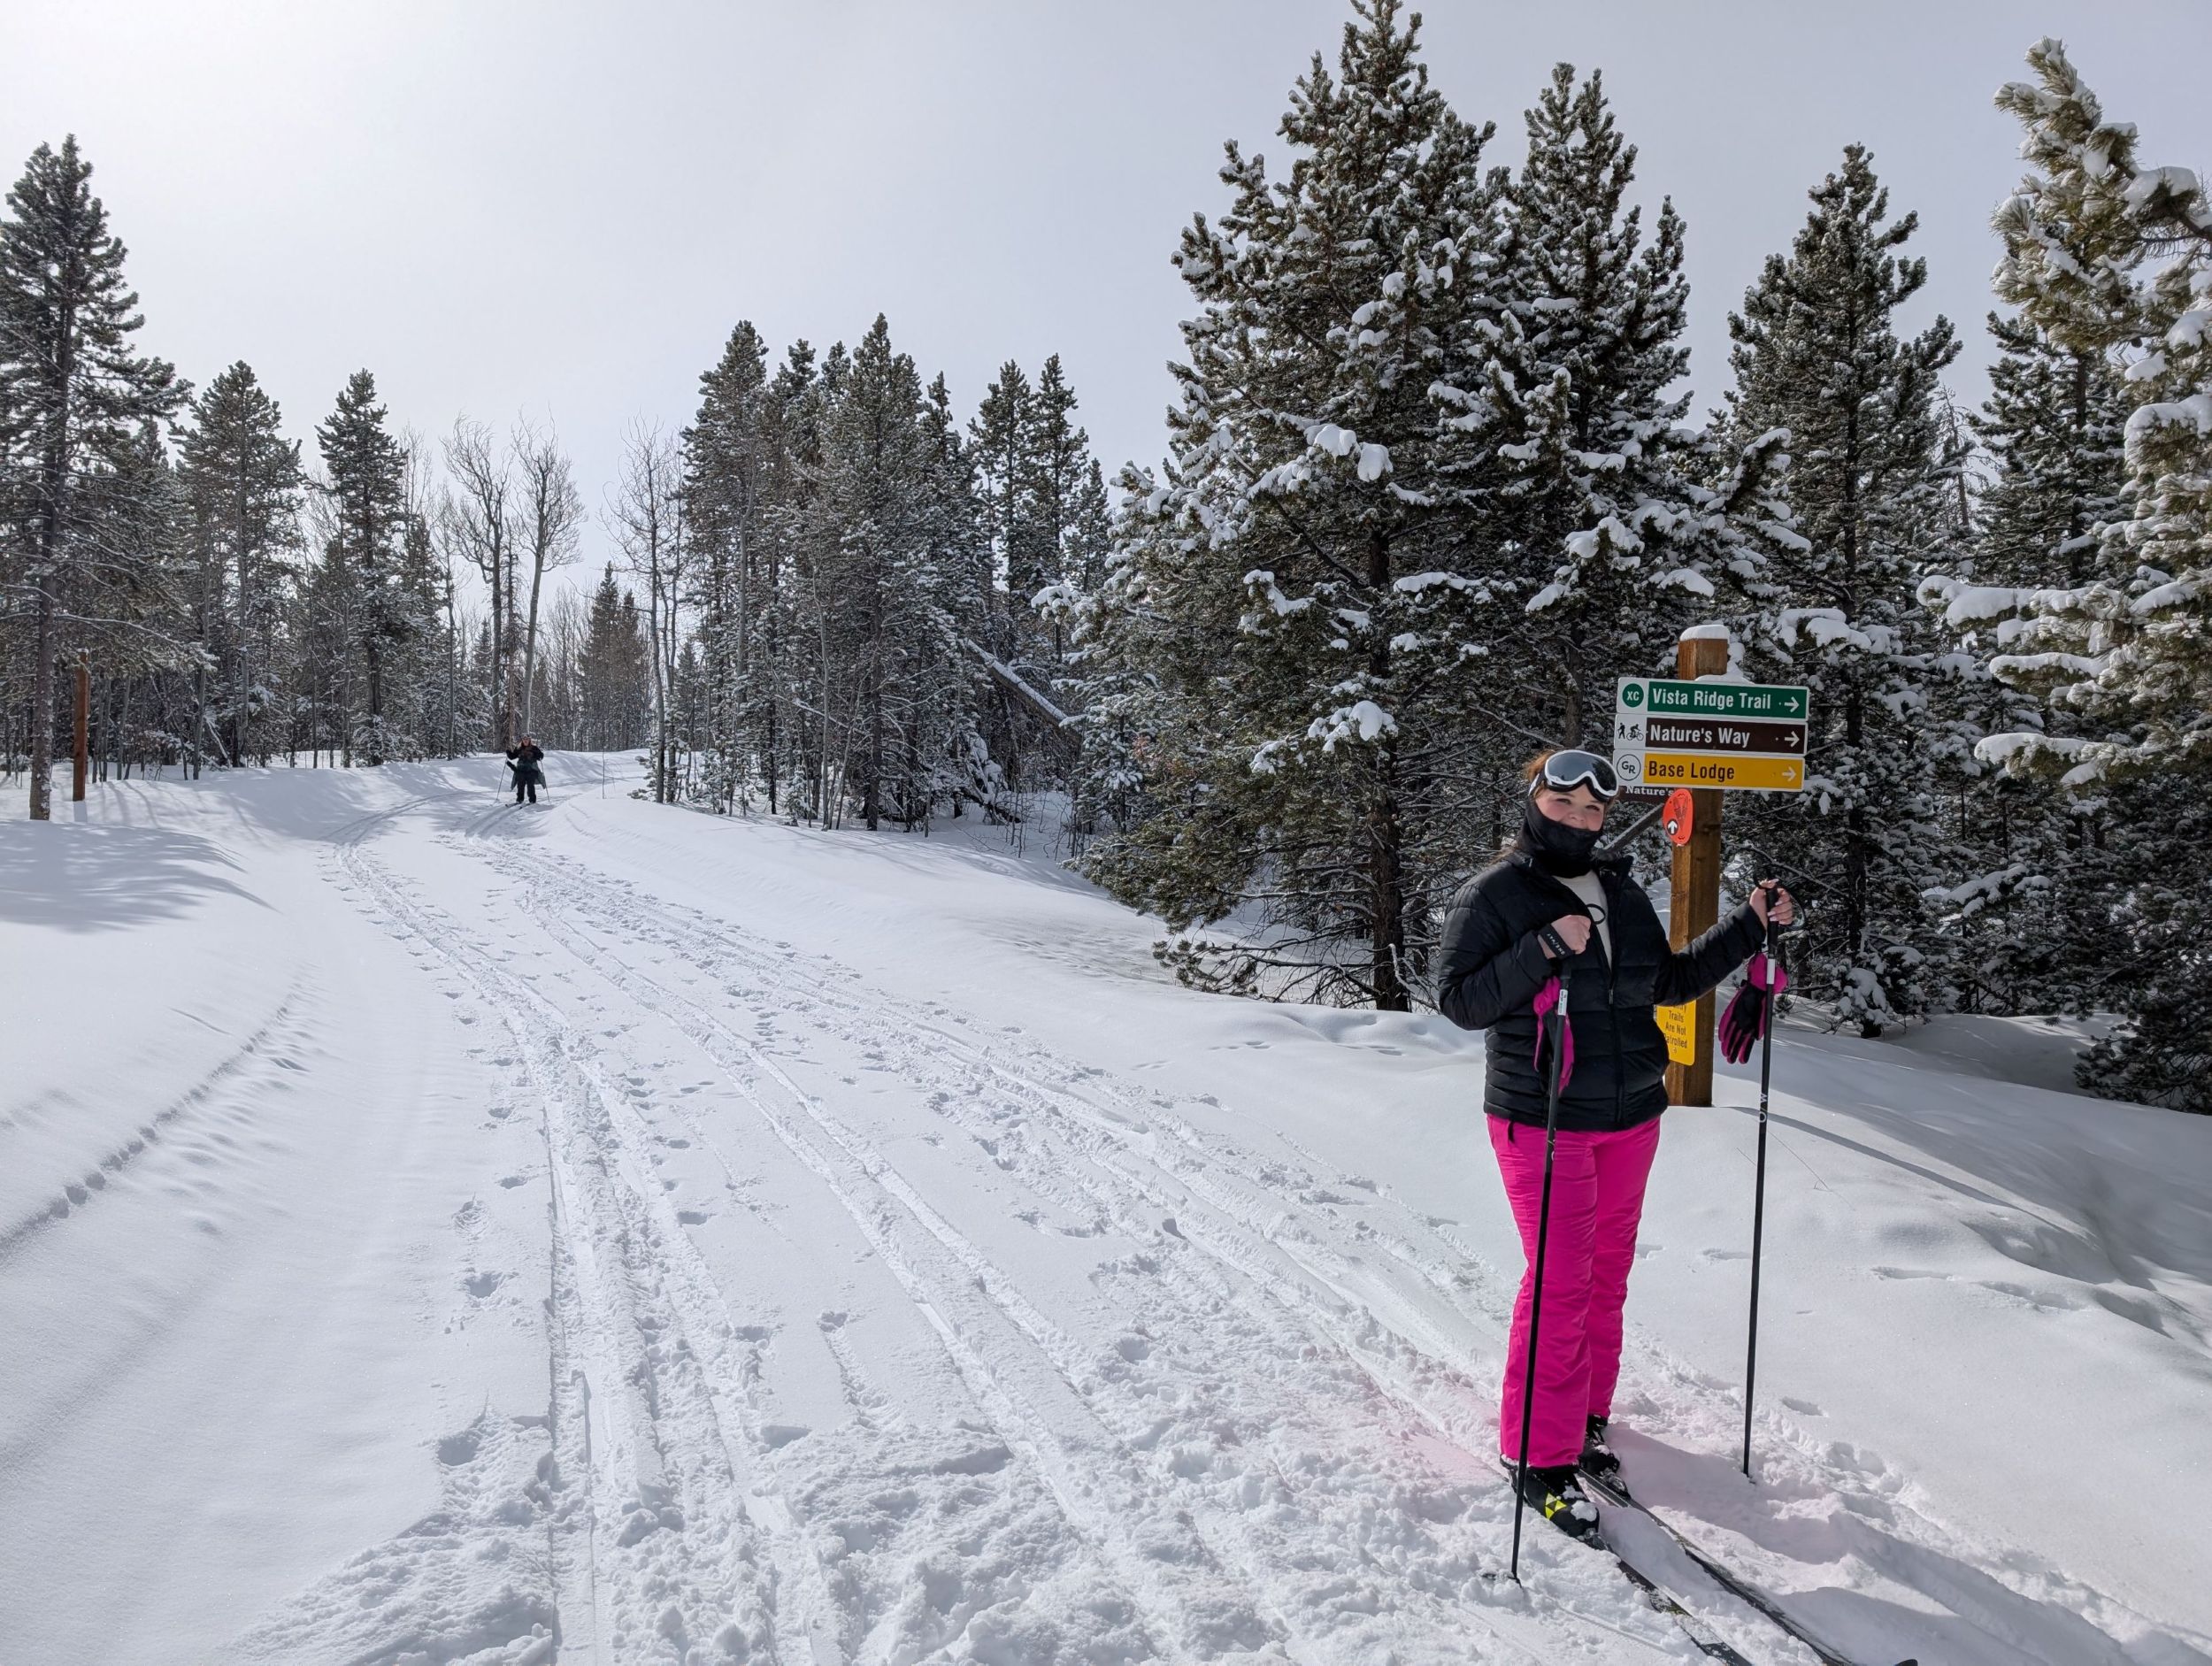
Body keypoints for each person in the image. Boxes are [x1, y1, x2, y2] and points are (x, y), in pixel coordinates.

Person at [1437, 748, 1793, 1541]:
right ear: (1534, 803)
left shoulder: (1620, 889)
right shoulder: (1495, 893)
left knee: (1604, 1275)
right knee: (1561, 1278)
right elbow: (1457, 999)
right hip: (1543, 1114)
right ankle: (1537, 1451)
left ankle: (1584, 1414)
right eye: (1563, 804)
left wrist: (1748, 927)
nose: (1578, 818)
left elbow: (1664, 983)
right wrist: (1540, 949)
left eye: (1593, 809)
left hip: (1633, 1112)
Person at [505, 736, 546, 805]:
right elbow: (512, 757)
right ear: (522, 740)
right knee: (520, 785)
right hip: (521, 770)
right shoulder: (519, 748)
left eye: (527, 739)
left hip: (532, 770)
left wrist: (539, 754)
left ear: (529, 740)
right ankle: (520, 799)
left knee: (530, 785)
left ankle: (532, 800)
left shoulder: (534, 748)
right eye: (524, 739)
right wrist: (508, 753)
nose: (525, 740)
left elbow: (540, 757)